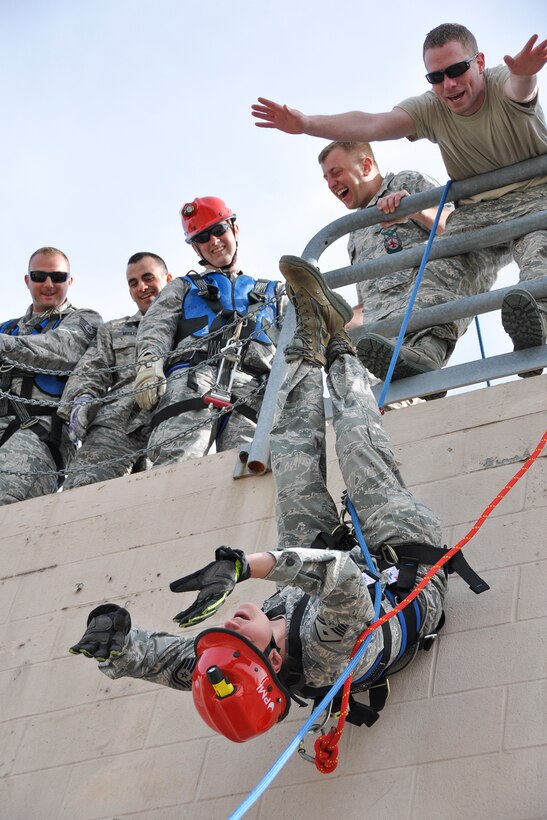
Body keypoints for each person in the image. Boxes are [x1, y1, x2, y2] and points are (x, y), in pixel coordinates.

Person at [70, 256, 455, 742]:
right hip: (399, 555)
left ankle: (310, 342)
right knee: (358, 441)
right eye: (235, 635)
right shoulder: (327, 651)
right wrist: (245, 567)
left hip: (314, 572)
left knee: (292, 449)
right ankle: (339, 347)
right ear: (272, 660)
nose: (228, 623)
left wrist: (118, 648)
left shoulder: (240, 662)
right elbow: (341, 582)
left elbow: (175, 664)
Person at [253, 26, 547, 379]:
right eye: (436, 77)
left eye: (457, 70)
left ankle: (539, 324)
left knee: (538, 249)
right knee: (438, 273)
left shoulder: (504, 81)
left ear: (480, 63)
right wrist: (306, 123)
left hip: (536, 194)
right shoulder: (432, 106)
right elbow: (373, 123)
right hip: (478, 211)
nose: (449, 85)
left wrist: (526, 73)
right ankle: (424, 350)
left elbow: (521, 91)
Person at [133, 196, 285, 466]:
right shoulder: (182, 287)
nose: (213, 241)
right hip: (192, 381)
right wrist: (149, 361)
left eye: (218, 230)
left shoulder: (274, 292)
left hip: (254, 387)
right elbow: (156, 326)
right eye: (203, 237)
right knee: (177, 465)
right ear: (196, 248)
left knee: (253, 469)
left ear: (234, 229)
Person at [319, 140, 458, 380]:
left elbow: (460, 229)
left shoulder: (405, 184)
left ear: (366, 165)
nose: (331, 184)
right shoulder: (355, 232)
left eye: (336, 173)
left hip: (422, 328)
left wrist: (415, 209)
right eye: (326, 179)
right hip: (381, 350)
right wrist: (339, 323)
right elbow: (369, 302)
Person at [59, 253, 172, 489]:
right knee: (81, 496)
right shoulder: (114, 330)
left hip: (168, 429)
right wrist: (82, 399)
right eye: (133, 283)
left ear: (168, 279)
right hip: (114, 429)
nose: (142, 287)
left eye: (148, 278)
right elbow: (91, 370)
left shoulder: (190, 323)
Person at [0, 247, 102, 505]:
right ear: (27, 280)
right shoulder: (7, 328)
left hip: (38, 437)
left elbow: (58, 349)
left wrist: (4, 345)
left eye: (57, 277)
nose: (48, 284)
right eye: (39, 276)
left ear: (69, 281)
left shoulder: (84, 320)